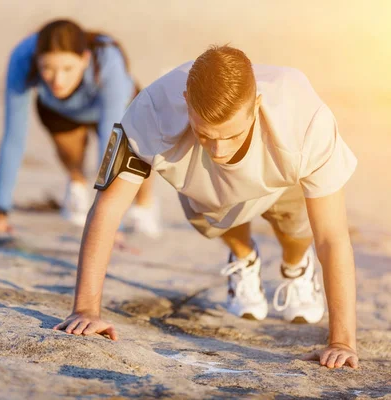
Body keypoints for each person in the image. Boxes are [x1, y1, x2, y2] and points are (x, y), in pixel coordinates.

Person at [54, 45, 360, 369]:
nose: (218, 150)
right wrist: (86, 309)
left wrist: (342, 342)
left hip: (281, 174)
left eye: (231, 135)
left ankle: (296, 267)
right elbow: (107, 209)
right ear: (186, 101)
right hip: (206, 187)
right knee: (213, 217)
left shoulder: (306, 121)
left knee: (296, 228)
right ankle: (244, 257)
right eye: (205, 134)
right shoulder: (151, 110)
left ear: (256, 106)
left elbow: (332, 238)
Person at [0, 19, 161, 237]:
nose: (58, 80)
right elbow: (13, 139)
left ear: (85, 59)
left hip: (121, 108)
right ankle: (77, 187)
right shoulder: (22, 58)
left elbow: (110, 142)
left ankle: (144, 206)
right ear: (36, 61)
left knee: (137, 154)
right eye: (47, 69)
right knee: (70, 153)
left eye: (68, 68)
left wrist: (110, 226)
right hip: (61, 110)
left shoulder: (108, 57)